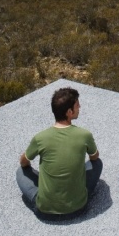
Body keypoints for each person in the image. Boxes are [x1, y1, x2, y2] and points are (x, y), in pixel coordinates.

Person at [16, 86, 102, 217]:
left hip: (45, 212)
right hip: (78, 208)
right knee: (98, 164)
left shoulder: (40, 138)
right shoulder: (85, 135)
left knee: (20, 172)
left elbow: (23, 162)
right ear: (69, 112)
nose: (80, 107)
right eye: (77, 105)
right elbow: (95, 158)